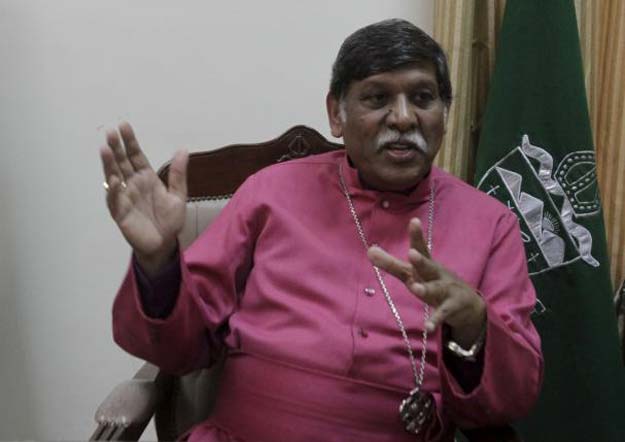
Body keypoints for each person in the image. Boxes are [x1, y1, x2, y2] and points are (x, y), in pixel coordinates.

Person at [100, 19, 542, 442]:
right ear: (336, 114)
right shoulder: (270, 192)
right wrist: (157, 264)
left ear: (445, 113)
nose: (404, 118)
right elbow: (182, 347)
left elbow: (513, 396)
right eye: (377, 98)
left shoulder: (491, 225)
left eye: (423, 97)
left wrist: (473, 326)